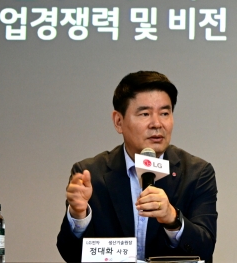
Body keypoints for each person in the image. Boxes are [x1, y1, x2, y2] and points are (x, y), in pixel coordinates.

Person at [57, 71, 217, 262]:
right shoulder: (91, 174)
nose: (157, 124)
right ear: (118, 121)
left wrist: (173, 218)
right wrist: (78, 216)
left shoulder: (197, 173)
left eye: (165, 113)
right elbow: (70, 254)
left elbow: (205, 248)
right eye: (145, 114)